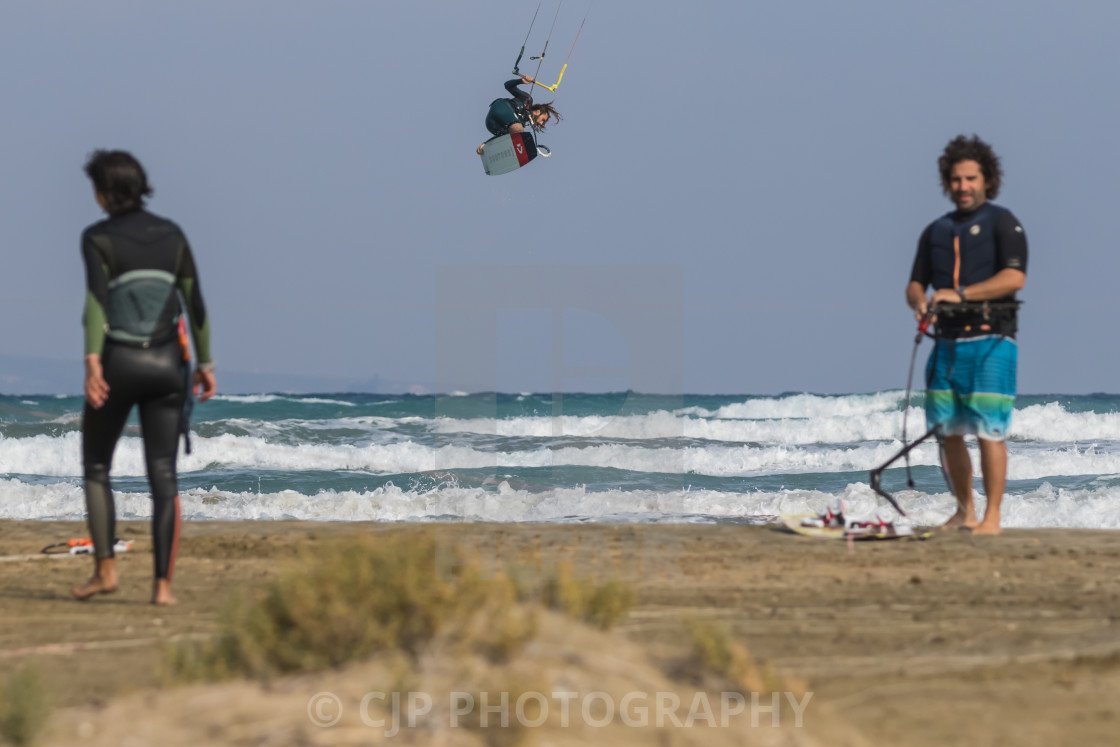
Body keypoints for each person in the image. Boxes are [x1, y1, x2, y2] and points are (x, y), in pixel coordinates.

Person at [73, 150, 216, 604]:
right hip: (167, 367)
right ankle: (162, 588)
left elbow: (96, 303)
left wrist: (92, 360)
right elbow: (195, 305)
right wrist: (206, 364)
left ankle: (106, 572)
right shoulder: (173, 235)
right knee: (163, 476)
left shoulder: (97, 238)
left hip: (118, 364)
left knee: (97, 467)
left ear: (102, 192)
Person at [906, 135, 1028, 535]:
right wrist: (919, 301)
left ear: (987, 179)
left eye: (971, 178)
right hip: (945, 345)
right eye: (956, 180)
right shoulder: (935, 231)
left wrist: (959, 295)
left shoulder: (1003, 222)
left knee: (989, 430)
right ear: (948, 182)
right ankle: (965, 511)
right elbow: (914, 283)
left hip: (991, 341)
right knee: (947, 432)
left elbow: (1015, 277)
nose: (963, 187)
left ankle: (992, 517)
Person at [476, 74, 562, 155]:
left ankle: (484, 147)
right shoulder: (527, 99)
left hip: (491, 125)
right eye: (543, 120)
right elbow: (507, 85)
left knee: (510, 137)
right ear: (539, 111)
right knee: (519, 130)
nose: (541, 123)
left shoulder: (522, 122)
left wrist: (486, 144)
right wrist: (521, 81)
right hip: (501, 107)